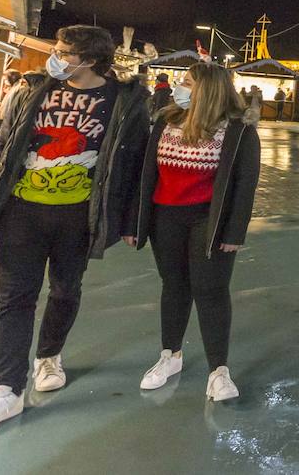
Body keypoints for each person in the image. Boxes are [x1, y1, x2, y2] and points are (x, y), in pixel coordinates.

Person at [0, 26, 150, 437]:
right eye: (57, 50)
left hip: (78, 217)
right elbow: (4, 144)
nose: (56, 57)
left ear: (92, 60)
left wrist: (130, 221)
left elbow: (133, 166)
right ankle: (7, 389)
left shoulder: (124, 102)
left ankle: (49, 355)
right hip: (21, 212)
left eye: (65, 52)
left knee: (65, 289)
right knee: (13, 298)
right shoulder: (34, 89)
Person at [122, 62, 260, 402]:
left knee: (210, 289)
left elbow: (245, 184)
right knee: (174, 286)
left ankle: (219, 372)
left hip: (207, 221)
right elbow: (144, 174)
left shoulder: (239, 131)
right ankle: (170, 355)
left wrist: (234, 232)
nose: (177, 88)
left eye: (186, 82)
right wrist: (134, 222)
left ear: (207, 89)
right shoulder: (165, 122)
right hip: (164, 218)